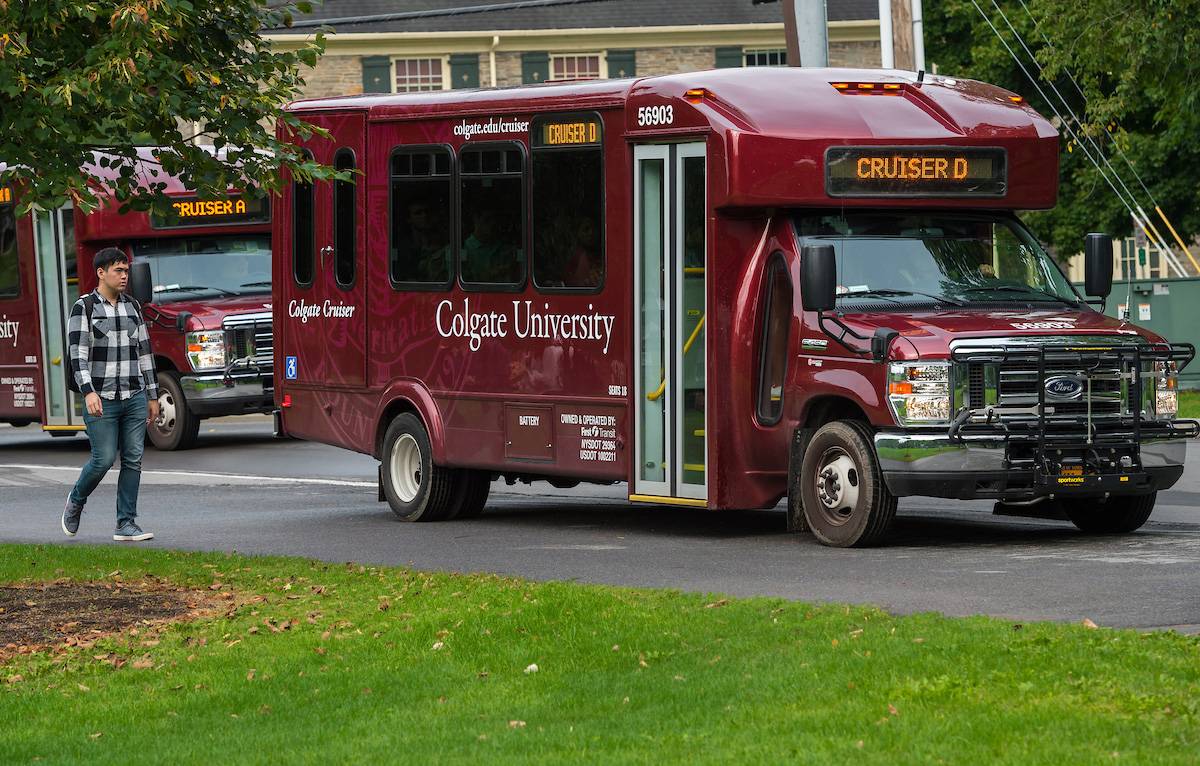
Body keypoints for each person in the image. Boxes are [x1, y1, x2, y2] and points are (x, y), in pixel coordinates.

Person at [61, 247, 161, 542]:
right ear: (101, 273)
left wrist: (152, 395)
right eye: (118, 271)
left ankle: (126, 523)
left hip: (134, 396)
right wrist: (88, 392)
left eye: (126, 271)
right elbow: (77, 356)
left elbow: (145, 353)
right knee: (103, 459)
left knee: (133, 460)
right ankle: (76, 500)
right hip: (101, 398)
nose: (124, 276)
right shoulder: (84, 307)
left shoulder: (133, 307)